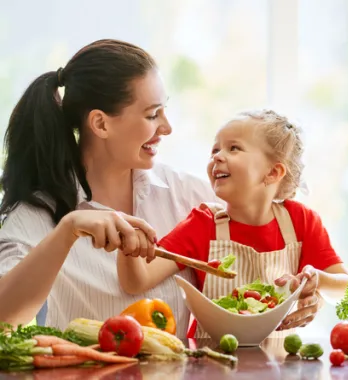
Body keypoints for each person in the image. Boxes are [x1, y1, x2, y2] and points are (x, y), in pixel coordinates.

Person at [0, 39, 217, 341]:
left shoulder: (185, 195)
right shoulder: (37, 215)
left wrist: (299, 291)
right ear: (100, 124)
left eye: (163, 110)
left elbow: (261, 234)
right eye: (152, 114)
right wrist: (67, 231)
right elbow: (3, 318)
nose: (167, 128)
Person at [117, 109, 348, 337]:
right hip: (211, 363)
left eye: (234, 148)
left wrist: (318, 280)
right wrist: (126, 243)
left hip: (279, 365)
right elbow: (137, 281)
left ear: (273, 172)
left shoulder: (301, 221)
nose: (217, 156)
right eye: (215, 149)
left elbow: (347, 289)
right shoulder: (203, 223)